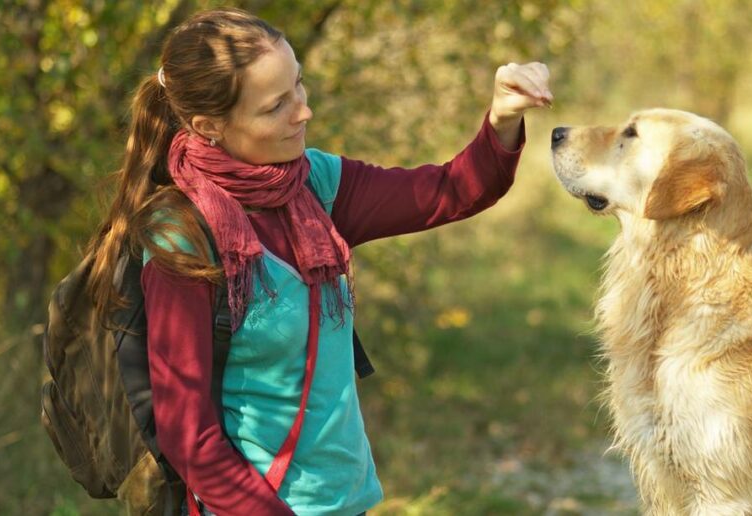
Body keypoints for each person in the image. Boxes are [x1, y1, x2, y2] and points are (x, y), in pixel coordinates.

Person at [83, 7, 551, 516]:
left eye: (299, 86)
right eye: (275, 106)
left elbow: (446, 191)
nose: (303, 112)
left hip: (346, 503)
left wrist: (503, 118)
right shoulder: (183, 238)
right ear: (208, 126)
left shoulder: (314, 183)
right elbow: (189, 436)